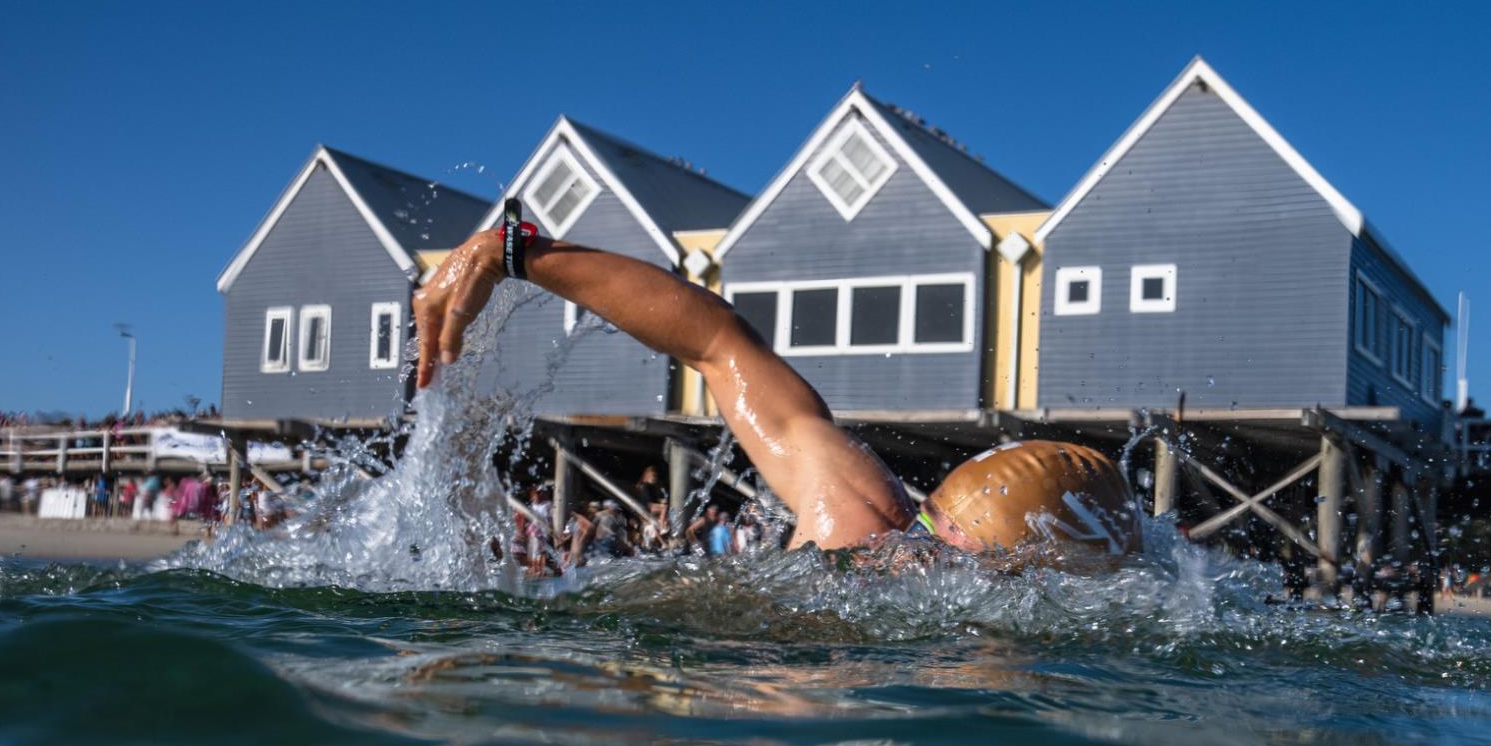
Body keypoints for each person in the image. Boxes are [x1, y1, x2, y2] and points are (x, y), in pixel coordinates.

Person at [411, 227, 1141, 568]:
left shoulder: (857, 519)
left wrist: (514, 251)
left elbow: (720, 344)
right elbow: (720, 344)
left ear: (939, 511)